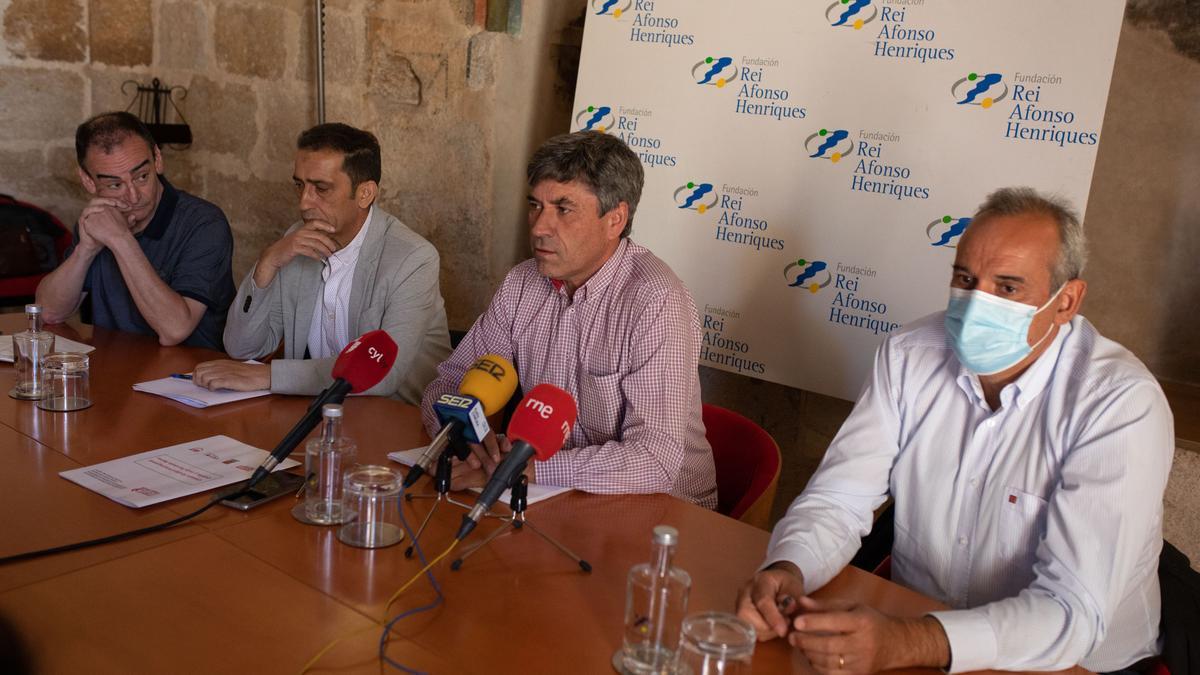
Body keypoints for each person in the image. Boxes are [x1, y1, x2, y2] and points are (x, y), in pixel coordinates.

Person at [736, 187, 1173, 674]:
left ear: (1066, 300)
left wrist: (907, 641)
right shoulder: (909, 355)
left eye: (1007, 288)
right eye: (965, 279)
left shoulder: (1119, 403)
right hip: (916, 631)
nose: (976, 303)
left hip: (1072, 666)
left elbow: (1071, 611)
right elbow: (840, 498)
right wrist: (787, 567)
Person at [419, 131, 717, 507]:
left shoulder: (656, 300)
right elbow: (447, 384)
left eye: (563, 209)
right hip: (555, 498)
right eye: (535, 205)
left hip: (660, 512)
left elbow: (655, 460)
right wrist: (464, 439)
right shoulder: (521, 284)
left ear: (615, 219)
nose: (539, 227)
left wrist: (523, 468)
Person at [194, 123, 449, 403]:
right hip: (319, 415)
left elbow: (381, 373)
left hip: (395, 423)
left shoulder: (413, 259)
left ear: (365, 194)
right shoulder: (297, 239)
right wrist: (267, 263)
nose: (304, 203)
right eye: (300, 185)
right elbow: (242, 348)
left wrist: (268, 376)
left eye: (321, 189)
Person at [35, 112, 234, 349]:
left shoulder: (204, 223)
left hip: (189, 376)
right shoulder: (99, 220)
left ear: (157, 159)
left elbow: (175, 329)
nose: (133, 196)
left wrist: (121, 240)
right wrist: (86, 249)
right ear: (88, 181)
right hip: (117, 372)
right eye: (115, 185)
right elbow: (48, 313)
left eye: (141, 176)